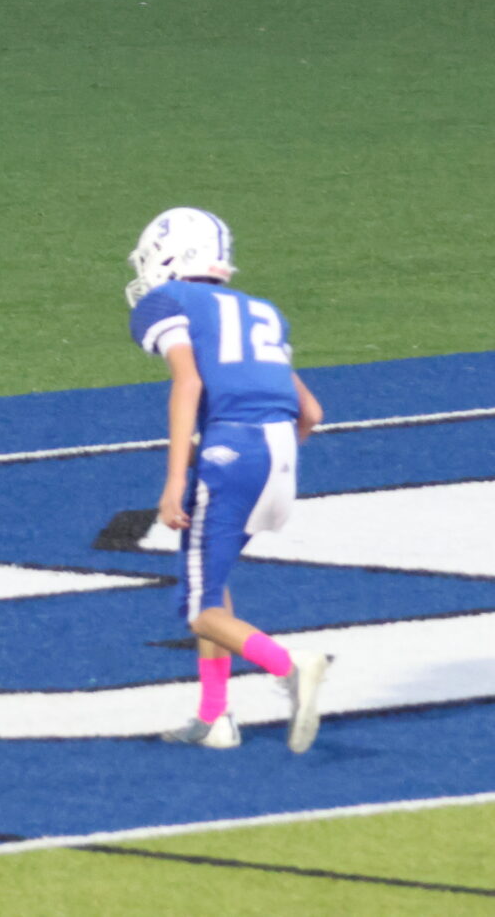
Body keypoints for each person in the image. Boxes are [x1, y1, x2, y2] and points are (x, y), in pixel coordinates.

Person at [127, 207, 334, 751]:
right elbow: (310, 412)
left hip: (232, 452)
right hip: (279, 455)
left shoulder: (167, 303)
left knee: (199, 609)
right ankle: (215, 717)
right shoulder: (261, 310)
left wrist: (175, 479)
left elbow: (188, 383)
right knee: (212, 586)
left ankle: (288, 665)